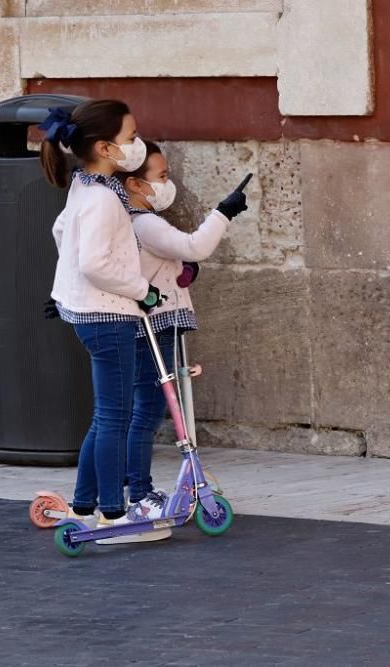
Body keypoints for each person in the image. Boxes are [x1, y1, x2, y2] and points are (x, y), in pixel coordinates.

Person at [39, 99, 166, 539]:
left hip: (91, 311)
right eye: (130, 138)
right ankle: (114, 514)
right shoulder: (103, 199)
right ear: (105, 148)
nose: (136, 145)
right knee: (116, 416)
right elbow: (94, 262)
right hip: (108, 316)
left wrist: (72, 285)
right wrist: (141, 289)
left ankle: (84, 503)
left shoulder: (85, 187)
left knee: (105, 415)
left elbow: (61, 231)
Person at [110, 140, 246, 531]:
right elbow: (194, 246)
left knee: (141, 408)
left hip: (150, 323)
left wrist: (182, 272)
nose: (169, 184)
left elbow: (169, 264)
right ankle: (139, 491)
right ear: (136, 184)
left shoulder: (130, 221)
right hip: (153, 326)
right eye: (162, 177)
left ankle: (129, 482)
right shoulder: (145, 221)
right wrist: (224, 212)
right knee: (147, 410)